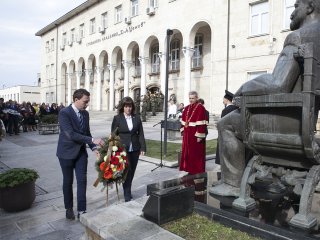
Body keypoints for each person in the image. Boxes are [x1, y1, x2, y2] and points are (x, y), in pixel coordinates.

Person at [211, 0, 320, 197]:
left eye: (296, 6)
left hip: (287, 126)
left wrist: (242, 89)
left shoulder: (298, 36)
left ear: (310, 7)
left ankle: (233, 184)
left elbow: (278, 83)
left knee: (226, 124)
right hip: (307, 122)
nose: (292, 13)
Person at [56, 89, 103, 220]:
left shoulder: (85, 114)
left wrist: (94, 148)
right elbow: (70, 134)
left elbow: (86, 132)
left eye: (88, 101)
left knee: (82, 181)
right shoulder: (64, 113)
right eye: (85, 101)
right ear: (76, 100)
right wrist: (93, 140)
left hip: (81, 153)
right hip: (66, 153)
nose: (87, 104)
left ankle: (82, 210)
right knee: (68, 181)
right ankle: (69, 208)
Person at [111, 96, 146, 202]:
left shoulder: (137, 118)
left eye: (130, 106)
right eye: (126, 106)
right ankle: (127, 193)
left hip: (135, 148)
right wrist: (114, 149)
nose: (128, 108)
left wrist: (143, 147)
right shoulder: (117, 118)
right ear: (122, 107)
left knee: (132, 171)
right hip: (122, 149)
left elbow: (141, 134)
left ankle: (128, 190)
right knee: (126, 170)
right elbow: (113, 134)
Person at [180, 91, 208, 175]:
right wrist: (183, 130)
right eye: (190, 98)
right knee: (188, 153)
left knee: (196, 153)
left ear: (196, 98)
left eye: (192, 98)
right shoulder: (187, 107)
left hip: (195, 135)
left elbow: (202, 123)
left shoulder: (200, 108)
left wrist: (200, 135)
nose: (191, 100)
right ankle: (189, 169)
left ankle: (197, 170)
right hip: (187, 134)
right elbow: (183, 121)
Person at [215, 90, 238, 165]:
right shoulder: (237, 109)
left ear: (226, 99)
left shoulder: (225, 110)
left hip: (226, 134)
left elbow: (222, 124)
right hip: (235, 134)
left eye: (223, 99)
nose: (223, 100)